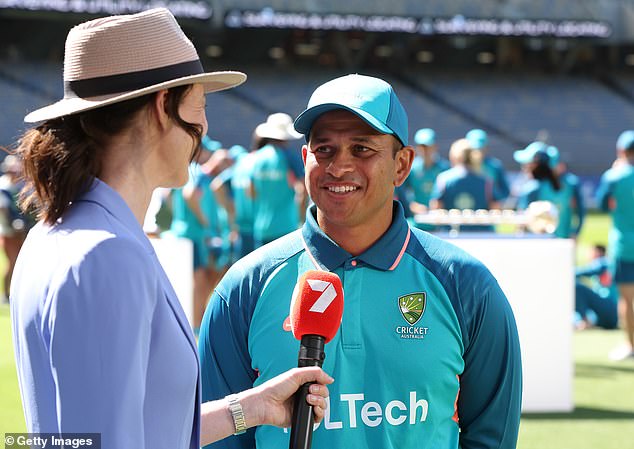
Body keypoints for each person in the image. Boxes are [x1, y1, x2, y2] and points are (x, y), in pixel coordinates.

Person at [9, 9, 332, 448]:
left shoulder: (60, 233)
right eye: (199, 105)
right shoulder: (105, 253)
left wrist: (251, 408)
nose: (204, 127)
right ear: (164, 106)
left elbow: (131, 428)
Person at [199, 74, 522, 449]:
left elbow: (492, 438)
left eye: (362, 149)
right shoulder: (245, 287)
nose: (338, 166)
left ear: (402, 165)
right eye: (324, 150)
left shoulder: (465, 284)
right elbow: (217, 440)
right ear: (305, 160)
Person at [596, 131, 634, 361]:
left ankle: (631, 344)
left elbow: (602, 204)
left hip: (623, 245)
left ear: (621, 151)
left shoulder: (613, 176)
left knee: (627, 299)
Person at [429, 138, 500, 232]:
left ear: (453, 157)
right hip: (482, 235)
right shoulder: (486, 181)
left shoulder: (443, 179)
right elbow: (495, 207)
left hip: (451, 234)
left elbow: (435, 207)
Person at [514, 142, 577, 239]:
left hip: (538, 244)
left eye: (527, 163)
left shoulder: (531, 189)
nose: (524, 167)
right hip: (561, 242)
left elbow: (521, 225)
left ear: (535, 165)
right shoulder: (565, 186)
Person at [396, 127, 449, 229]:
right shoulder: (410, 169)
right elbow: (401, 194)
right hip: (417, 221)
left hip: (440, 223)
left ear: (435, 147)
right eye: (421, 146)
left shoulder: (444, 169)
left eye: (428, 146)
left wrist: (440, 208)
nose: (425, 150)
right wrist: (413, 206)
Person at [574, 244, 618, 330]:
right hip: (602, 314)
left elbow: (585, 271)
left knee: (577, 287)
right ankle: (584, 321)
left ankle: (585, 321)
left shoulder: (604, 262)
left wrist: (564, 271)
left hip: (609, 308)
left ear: (598, 252)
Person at [465, 128, 510, 203]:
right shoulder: (460, 168)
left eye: (481, 148)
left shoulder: (495, 166)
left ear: (486, 147)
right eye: (473, 149)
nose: (477, 152)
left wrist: (495, 200)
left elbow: (505, 192)